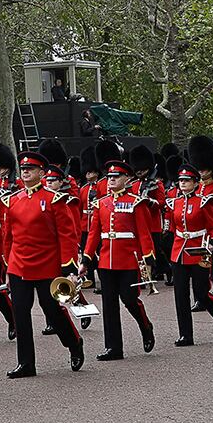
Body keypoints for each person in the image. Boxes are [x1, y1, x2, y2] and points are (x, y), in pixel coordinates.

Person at [2, 149, 84, 378]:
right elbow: (8, 236)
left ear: (41, 173)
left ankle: (74, 342)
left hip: (46, 264)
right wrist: (8, 266)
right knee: (20, 312)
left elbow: (67, 236)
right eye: (23, 169)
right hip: (19, 264)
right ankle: (26, 363)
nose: (26, 172)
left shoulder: (54, 200)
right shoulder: (13, 200)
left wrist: (69, 268)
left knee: (52, 310)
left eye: (31, 169)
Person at [80, 148, 159, 360]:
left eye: (116, 177)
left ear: (127, 179)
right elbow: (94, 235)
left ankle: (145, 325)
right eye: (110, 177)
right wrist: (86, 259)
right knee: (109, 305)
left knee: (129, 299)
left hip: (128, 260)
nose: (112, 180)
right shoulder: (101, 203)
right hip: (106, 260)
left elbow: (144, 233)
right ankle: (113, 348)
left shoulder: (136, 202)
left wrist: (148, 259)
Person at [167, 138, 213, 346]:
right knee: (180, 295)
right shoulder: (174, 203)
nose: (183, 183)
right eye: (180, 180)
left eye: (187, 181)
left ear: (195, 183)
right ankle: (186, 334)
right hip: (179, 252)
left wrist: (211, 246)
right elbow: (174, 228)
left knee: (202, 294)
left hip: (199, 250)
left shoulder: (203, 203)